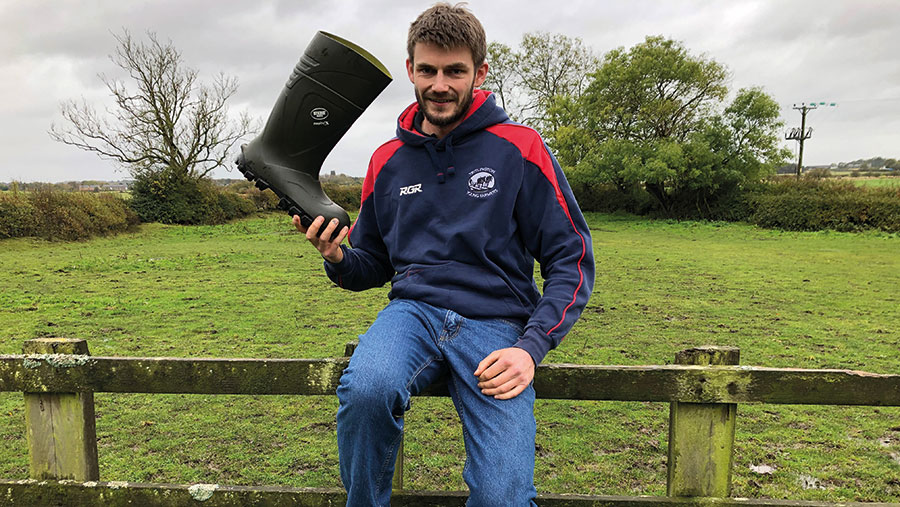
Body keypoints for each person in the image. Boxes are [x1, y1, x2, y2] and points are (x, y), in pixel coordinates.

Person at [293, 3, 594, 505]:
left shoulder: (520, 148)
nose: (439, 84)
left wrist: (531, 347)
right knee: (367, 389)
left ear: (480, 72)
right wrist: (338, 257)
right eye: (428, 70)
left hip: (498, 325)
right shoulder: (386, 160)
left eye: (455, 71)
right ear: (410, 70)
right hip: (411, 314)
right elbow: (372, 263)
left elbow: (571, 257)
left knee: (501, 496)